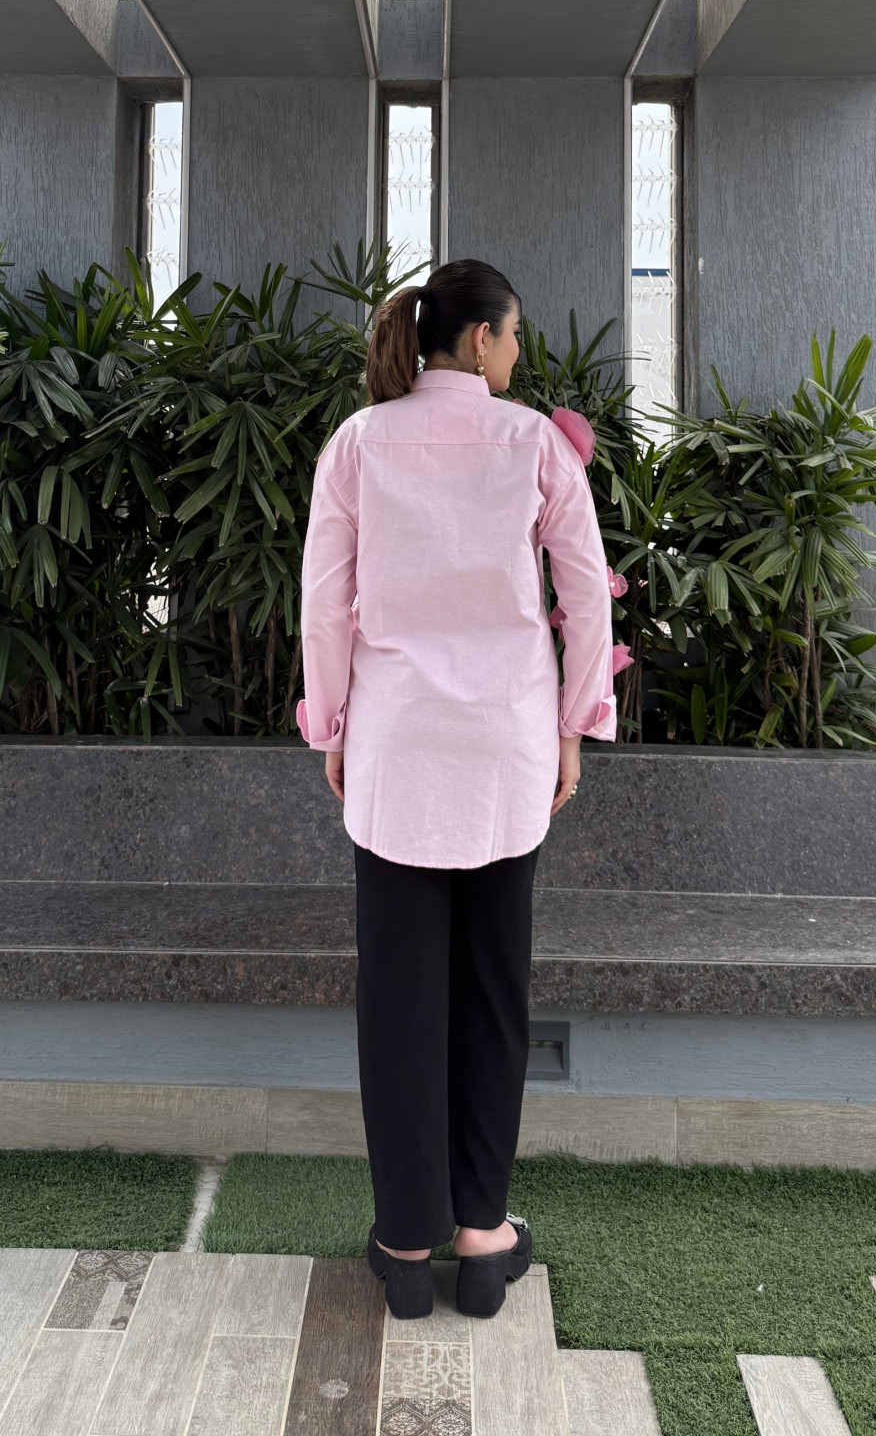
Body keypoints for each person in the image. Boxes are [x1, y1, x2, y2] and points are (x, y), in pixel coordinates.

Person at [297, 258, 617, 1319]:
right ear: (479, 339)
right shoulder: (530, 441)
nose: (520, 352)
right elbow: (581, 589)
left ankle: (402, 1242)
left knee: (397, 1000)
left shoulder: (357, 442)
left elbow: (324, 599)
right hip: (504, 750)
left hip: (394, 749)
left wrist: (330, 723)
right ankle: (482, 1238)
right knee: (491, 992)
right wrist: (576, 724)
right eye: (514, 333)